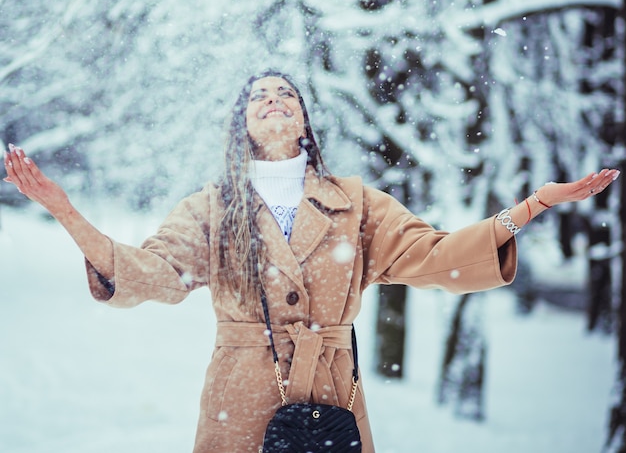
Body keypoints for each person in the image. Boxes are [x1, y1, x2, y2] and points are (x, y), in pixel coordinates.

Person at [3, 70, 620, 452]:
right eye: (259, 97)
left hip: (332, 397)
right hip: (239, 399)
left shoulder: (356, 203)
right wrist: (66, 212)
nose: (274, 99)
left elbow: (436, 259)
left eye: (286, 93)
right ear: (243, 126)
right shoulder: (215, 207)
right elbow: (154, 276)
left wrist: (531, 207)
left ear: (303, 119)